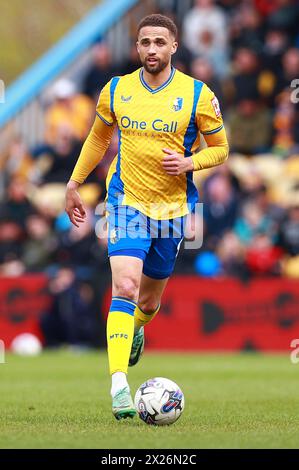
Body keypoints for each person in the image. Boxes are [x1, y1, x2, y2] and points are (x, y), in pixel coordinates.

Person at [65, 14, 229, 420]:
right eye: (144, 42)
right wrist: (74, 182)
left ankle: (135, 329)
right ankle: (119, 383)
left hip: (172, 210)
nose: (151, 49)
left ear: (174, 46)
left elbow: (221, 148)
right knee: (124, 285)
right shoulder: (116, 90)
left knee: (149, 302)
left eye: (159, 42)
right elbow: (99, 137)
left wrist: (190, 162)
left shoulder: (196, 94)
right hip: (125, 203)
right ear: (136, 47)